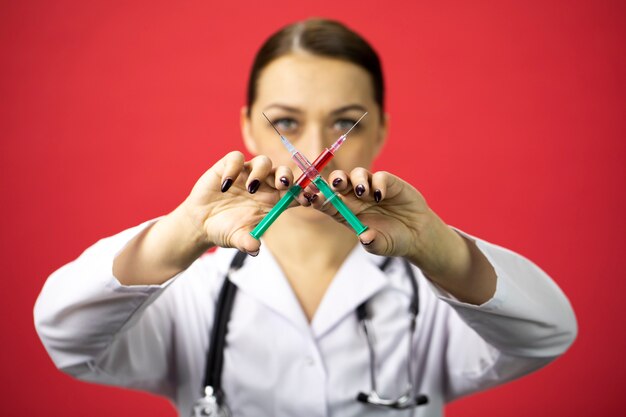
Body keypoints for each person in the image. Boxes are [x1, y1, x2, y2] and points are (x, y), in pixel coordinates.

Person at [34, 18, 577, 417]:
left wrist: (439, 247)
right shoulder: (190, 298)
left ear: (380, 130)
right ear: (249, 126)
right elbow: (66, 335)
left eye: (345, 122)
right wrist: (183, 229)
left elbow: (548, 333)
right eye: (287, 124)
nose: (318, 151)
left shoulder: (430, 301)